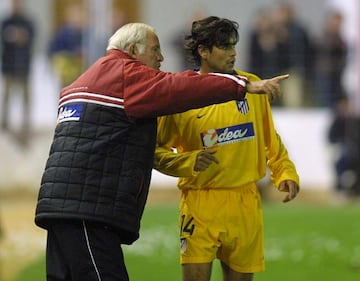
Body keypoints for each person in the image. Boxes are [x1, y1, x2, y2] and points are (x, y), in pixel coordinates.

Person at [34, 22, 289, 281]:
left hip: (60, 207)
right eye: (155, 49)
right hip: (86, 211)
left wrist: (284, 171)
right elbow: (179, 87)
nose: (161, 57)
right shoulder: (126, 76)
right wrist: (242, 86)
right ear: (133, 50)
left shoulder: (82, 82)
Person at [154, 16, 300, 281]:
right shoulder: (182, 96)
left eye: (233, 45)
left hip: (245, 202)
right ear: (203, 51)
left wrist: (285, 173)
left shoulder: (251, 85)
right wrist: (188, 163)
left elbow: (270, 139)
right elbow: (155, 152)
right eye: (224, 46)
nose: (233, 53)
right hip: (201, 203)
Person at [0, 0, 35, 146]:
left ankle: (25, 125)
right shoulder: (6, 21)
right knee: (7, 97)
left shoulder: (27, 22)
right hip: (9, 66)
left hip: (24, 66)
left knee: (26, 98)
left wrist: (22, 37)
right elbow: (3, 36)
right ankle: (5, 123)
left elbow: (33, 37)